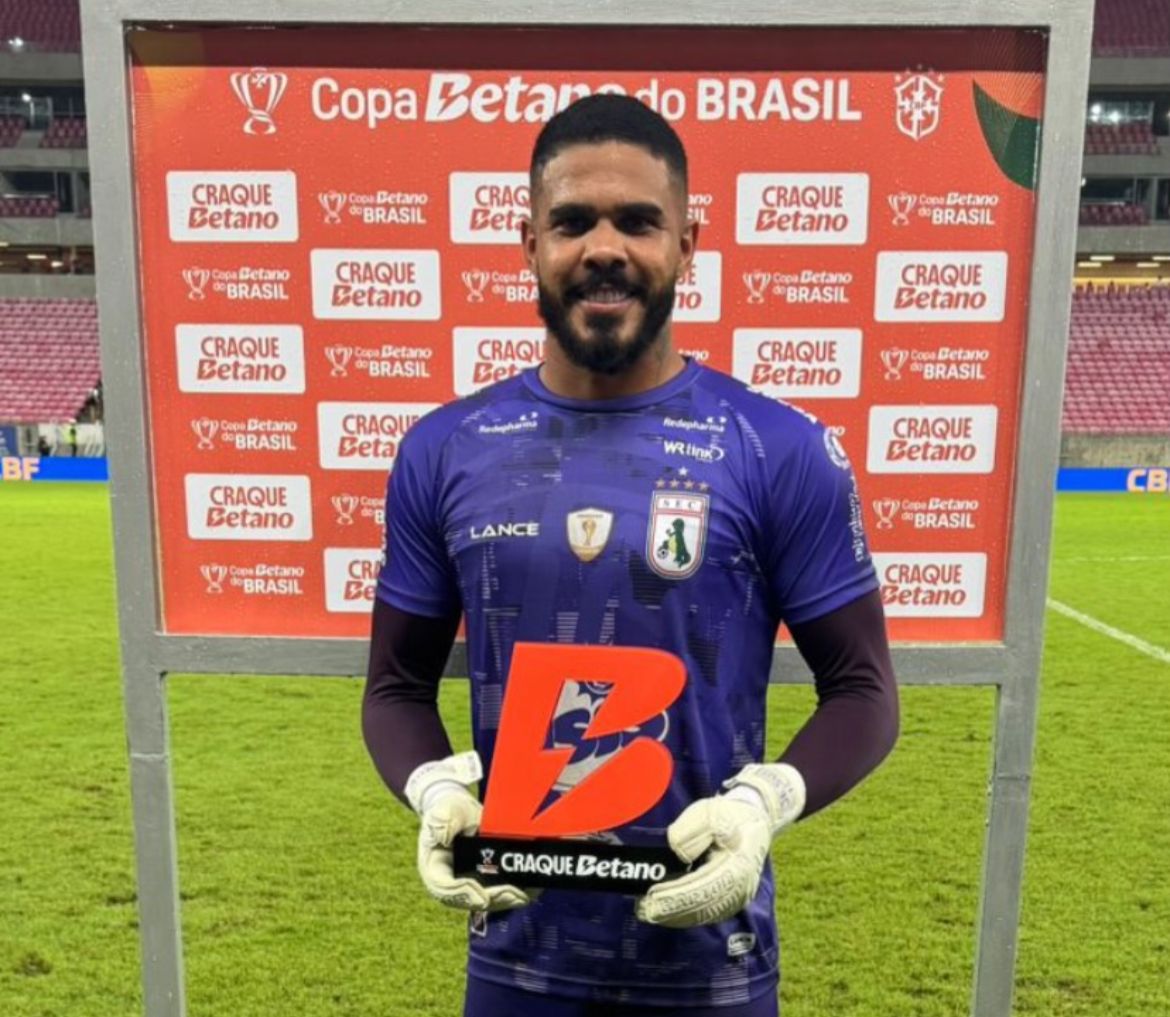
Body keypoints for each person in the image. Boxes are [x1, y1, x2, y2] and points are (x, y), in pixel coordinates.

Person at [364, 94, 898, 1017]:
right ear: (528, 242)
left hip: (711, 964)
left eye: (638, 222)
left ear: (687, 245)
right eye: (573, 221)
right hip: (517, 964)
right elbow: (395, 688)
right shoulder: (445, 449)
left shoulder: (779, 449)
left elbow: (864, 689)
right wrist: (431, 787)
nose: (603, 248)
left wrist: (765, 803)